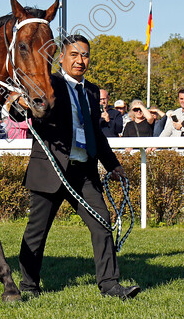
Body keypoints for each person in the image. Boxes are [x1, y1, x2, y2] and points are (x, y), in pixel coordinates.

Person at [13, 34, 139, 299]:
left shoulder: (92, 91)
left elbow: (95, 131)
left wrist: (112, 164)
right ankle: (28, 286)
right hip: (50, 171)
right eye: (74, 54)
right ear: (62, 57)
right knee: (37, 232)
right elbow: (20, 111)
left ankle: (110, 286)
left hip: (84, 174)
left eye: (85, 55)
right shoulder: (49, 83)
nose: (80, 60)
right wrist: (17, 104)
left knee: (102, 222)